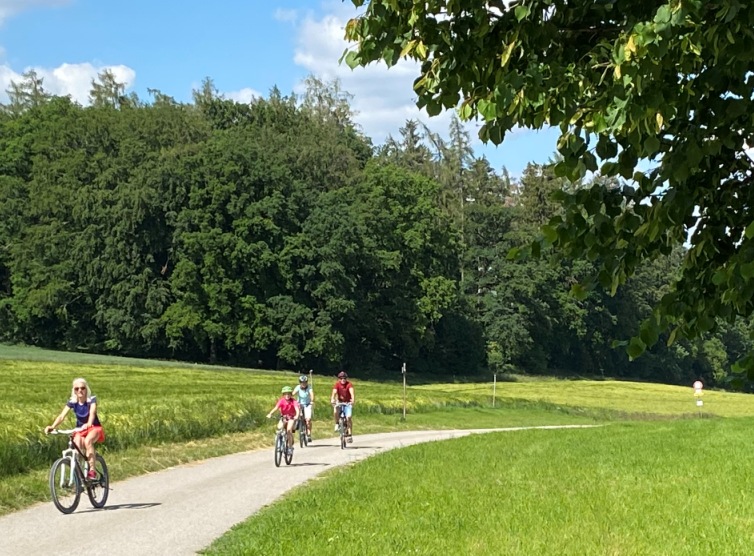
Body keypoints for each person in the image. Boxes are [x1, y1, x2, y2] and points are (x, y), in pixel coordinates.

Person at [45, 378, 105, 480]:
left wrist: (89, 423)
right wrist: (52, 426)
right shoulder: (72, 402)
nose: (80, 391)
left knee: (88, 441)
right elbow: (61, 416)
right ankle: (79, 473)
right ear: (74, 390)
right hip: (80, 429)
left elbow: (92, 412)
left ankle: (92, 470)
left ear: (87, 389)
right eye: (76, 389)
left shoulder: (91, 400)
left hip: (94, 427)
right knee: (76, 445)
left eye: (82, 388)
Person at [266, 386, 300, 455]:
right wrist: (270, 413)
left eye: (289, 394)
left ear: (291, 394)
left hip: (291, 418)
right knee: (279, 429)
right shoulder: (281, 401)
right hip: (283, 417)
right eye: (285, 394)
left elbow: (297, 409)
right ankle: (278, 443)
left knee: (288, 430)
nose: (287, 395)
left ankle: (290, 447)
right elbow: (276, 408)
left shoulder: (293, 401)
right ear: (283, 395)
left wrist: (297, 415)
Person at [330, 371, 354, 442]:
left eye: (344, 378)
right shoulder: (337, 384)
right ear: (339, 379)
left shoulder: (349, 384)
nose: (343, 379)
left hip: (347, 403)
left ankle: (349, 434)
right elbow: (334, 392)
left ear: (346, 378)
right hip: (339, 402)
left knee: (348, 417)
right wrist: (332, 399)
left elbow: (352, 393)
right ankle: (337, 423)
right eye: (341, 378)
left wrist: (352, 400)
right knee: (335, 411)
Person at [293, 374, 314, 442]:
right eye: (302, 382)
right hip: (299, 404)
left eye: (305, 382)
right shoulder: (298, 387)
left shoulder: (309, 388)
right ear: (300, 383)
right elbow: (293, 393)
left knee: (308, 420)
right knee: (297, 416)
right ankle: (296, 426)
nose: (303, 384)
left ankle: (308, 434)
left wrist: (312, 401)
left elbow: (312, 395)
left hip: (307, 404)